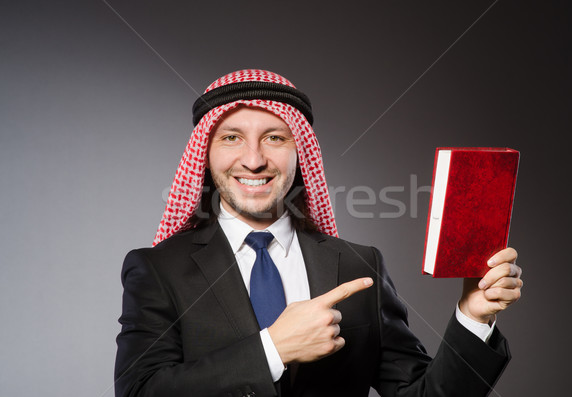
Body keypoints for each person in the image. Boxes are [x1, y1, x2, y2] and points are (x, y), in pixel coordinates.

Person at [115, 70, 523, 397]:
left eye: (275, 138)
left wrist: (473, 316)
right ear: (205, 152)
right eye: (232, 138)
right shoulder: (158, 269)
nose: (253, 160)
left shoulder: (359, 266)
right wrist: (273, 349)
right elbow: (140, 390)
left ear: (301, 152)